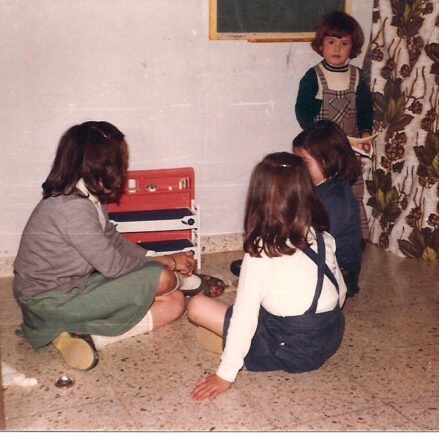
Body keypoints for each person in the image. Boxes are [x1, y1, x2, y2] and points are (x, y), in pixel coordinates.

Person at [13, 121, 195, 370]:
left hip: (72, 286)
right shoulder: (72, 208)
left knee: (175, 304)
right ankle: (186, 282)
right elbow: (112, 265)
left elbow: (111, 238)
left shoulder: (84, 194)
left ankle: (83, 335)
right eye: (122, 164)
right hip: (49, 301)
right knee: (163, 279)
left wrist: (156, 255)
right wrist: (166, 262)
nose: (123, 171)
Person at [188, 152, 347, 401]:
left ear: (258, 196)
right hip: (330, 336)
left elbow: (244, 316)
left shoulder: (263, 249)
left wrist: (225, 374)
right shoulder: (323, 236)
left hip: (293, 350)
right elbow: (341, 291)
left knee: (197, 307)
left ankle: (241, 352)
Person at [294, 10, 373, 242]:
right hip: (322, 150)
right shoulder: (314, 76)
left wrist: (366, 134)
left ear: (353, 47)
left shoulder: (357, 76)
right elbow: (303, 113)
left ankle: (354, 239)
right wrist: (316, 137)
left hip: (350, 148)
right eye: (331, 42)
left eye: (344, 43)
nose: (337, 49)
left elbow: (366, 110)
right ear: (321, 45)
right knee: (322, 192)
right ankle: (317, 237)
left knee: (353, 192)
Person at [293, 120, 362, 298]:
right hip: (321, 257)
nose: (299, 167)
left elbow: (315, 242)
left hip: (341, 270)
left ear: (327, 160)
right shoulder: (320, 186)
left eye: (304, 162)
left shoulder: (337, 198)